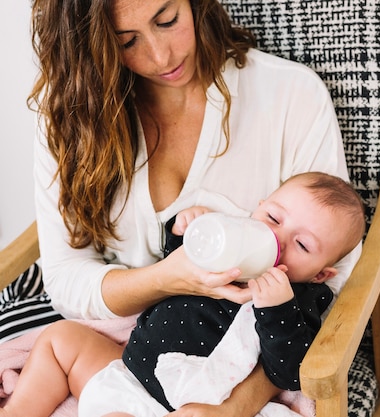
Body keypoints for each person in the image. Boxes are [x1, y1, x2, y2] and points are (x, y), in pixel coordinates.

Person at [4, 0, 361, 416]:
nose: (161, 57)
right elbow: (67, 280)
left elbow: (331, 292)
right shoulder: (69, 112)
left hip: (225, 378)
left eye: (168, 20)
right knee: (60, 341)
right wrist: (169, 272)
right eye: (126, 41)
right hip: (136, 350)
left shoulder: (290, 96)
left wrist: (230, 408)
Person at [0, 172, 366, 417]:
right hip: (130, 374)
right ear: (257, 207)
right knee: (62, 338)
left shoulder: (301, 300)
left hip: (195, 405)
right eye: (273, 218)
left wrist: (276, 309)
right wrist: (183, 231)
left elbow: (289, 372)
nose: (279, 240)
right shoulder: (228, 241)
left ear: (321, 274)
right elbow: (175, 267)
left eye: (302, 244)